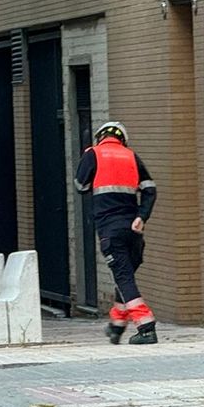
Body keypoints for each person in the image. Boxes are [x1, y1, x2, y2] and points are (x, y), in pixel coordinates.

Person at [74, 121, 158, 345]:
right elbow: (150, 189)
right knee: (126, 275)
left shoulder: (93, 154)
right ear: (123, 139)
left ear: (100, 137)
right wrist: (142, 216)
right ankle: (117, 325)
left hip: (110, 228)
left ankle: (146, 326)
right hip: (134, 229)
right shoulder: (131, 156)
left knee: (123, 276)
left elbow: (80, 185)